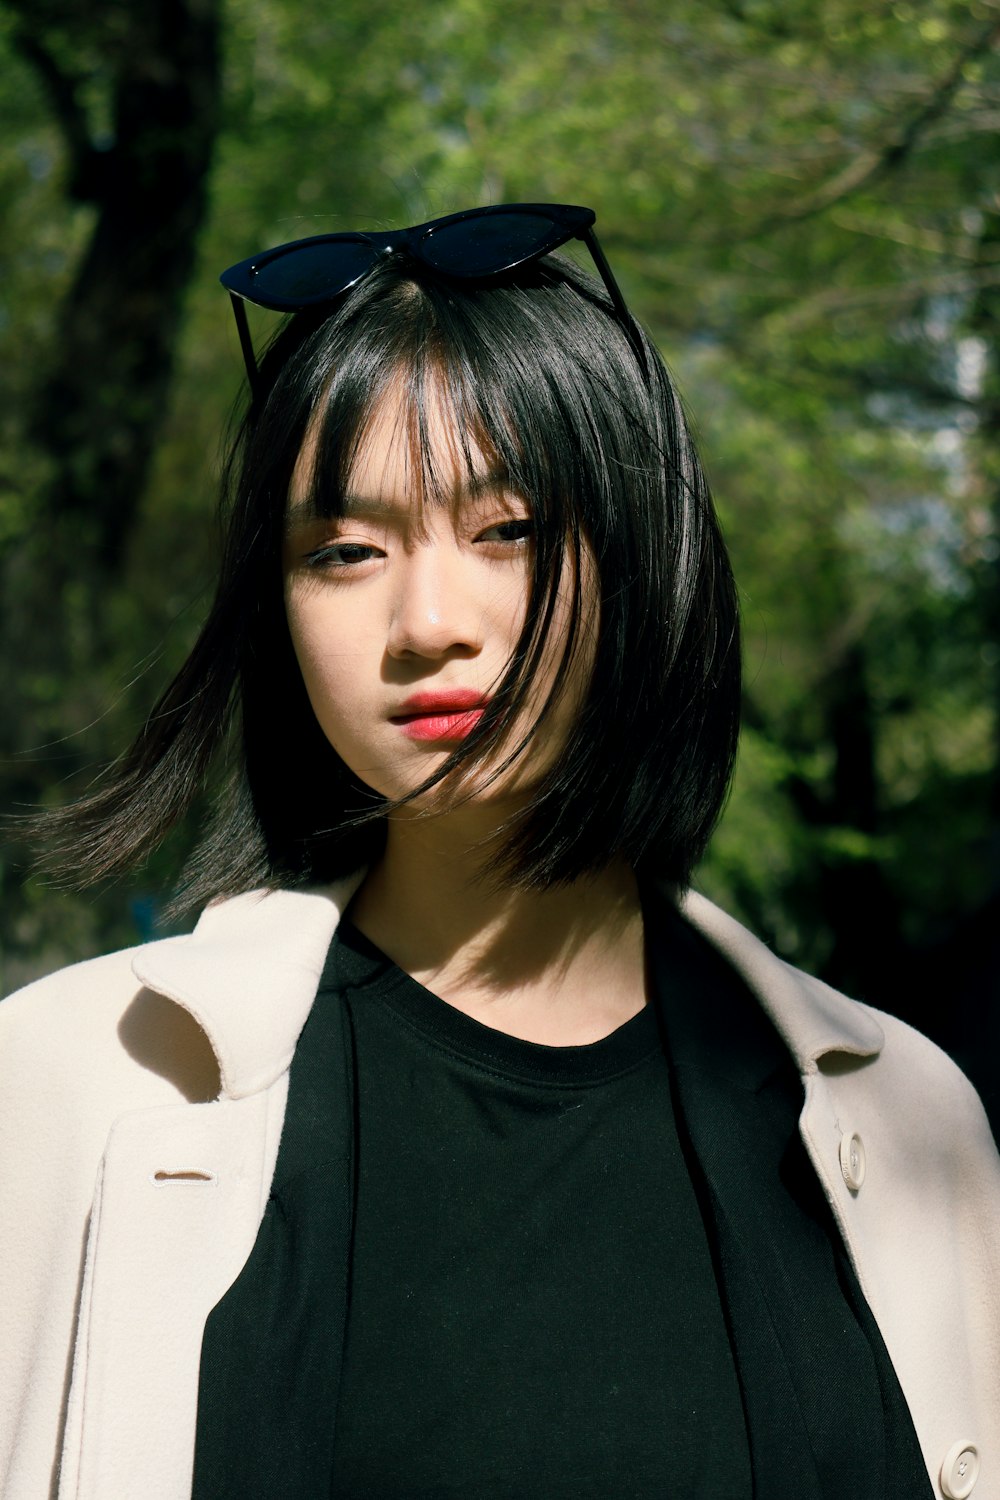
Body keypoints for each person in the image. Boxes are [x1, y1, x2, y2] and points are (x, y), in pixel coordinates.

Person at [1, 203, 998, 1500]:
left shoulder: (907, 1117)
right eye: (345, 551)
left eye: (508, 530)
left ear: (644, 557)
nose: (426, 621)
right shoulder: (71, 1091)